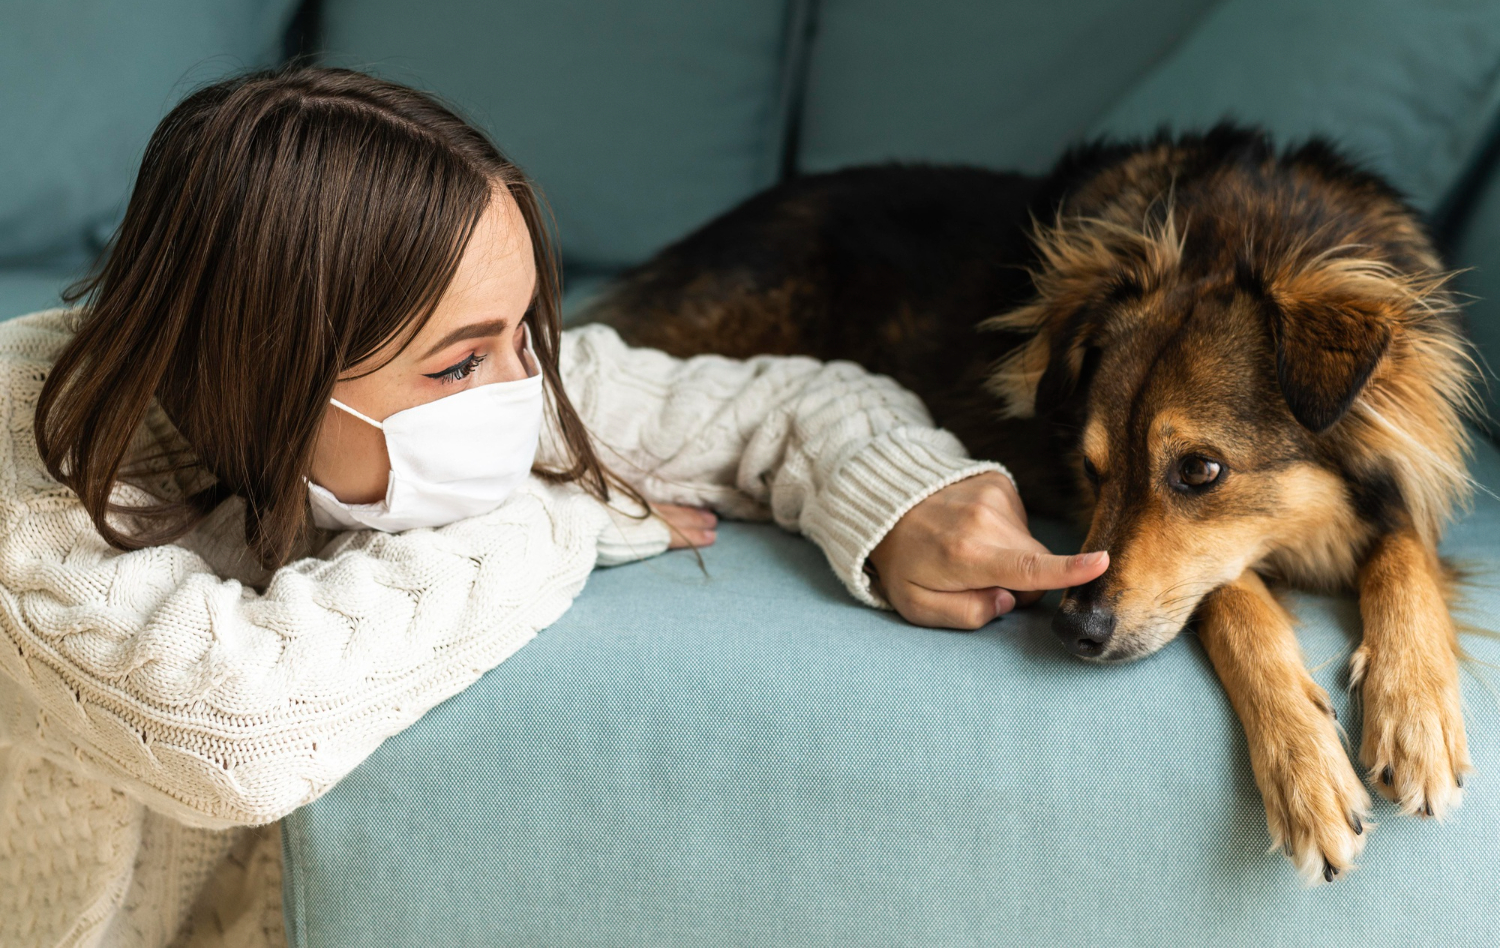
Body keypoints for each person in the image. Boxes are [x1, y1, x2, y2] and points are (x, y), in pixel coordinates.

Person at [0, 67, 1108, 948]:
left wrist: (914, 500)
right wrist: (570, 516)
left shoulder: (472, 382)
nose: (521, 391)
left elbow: (786, 402)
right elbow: (229, 722)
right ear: (270, 370)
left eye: (523, 330)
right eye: (457, 364)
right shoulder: (32, 477)